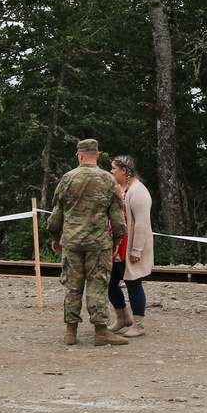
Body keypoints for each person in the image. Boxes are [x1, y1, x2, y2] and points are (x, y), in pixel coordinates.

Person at [47, 139, 129, 347]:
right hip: (98, 243)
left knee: (72, 286)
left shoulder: (67, 179)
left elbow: (57, 213)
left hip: (72, 241)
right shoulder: (108, 180)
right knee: (98, 286)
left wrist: (56, 238)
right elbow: (117, 216)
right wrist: (117, 240)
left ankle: (70, 331)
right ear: (98, 155)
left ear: (80, 155)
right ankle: (101, 332)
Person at [106, 155, 155, 338]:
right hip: (117, 245)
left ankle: (139, 324)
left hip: (131, 244)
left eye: (114, 168)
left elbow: (142, 223)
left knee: (133, 283)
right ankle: (122, 317)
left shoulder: (138, 191)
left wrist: (136, 250)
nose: (111, 172)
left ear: (124, 170)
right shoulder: (119, 189)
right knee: (110, 283)